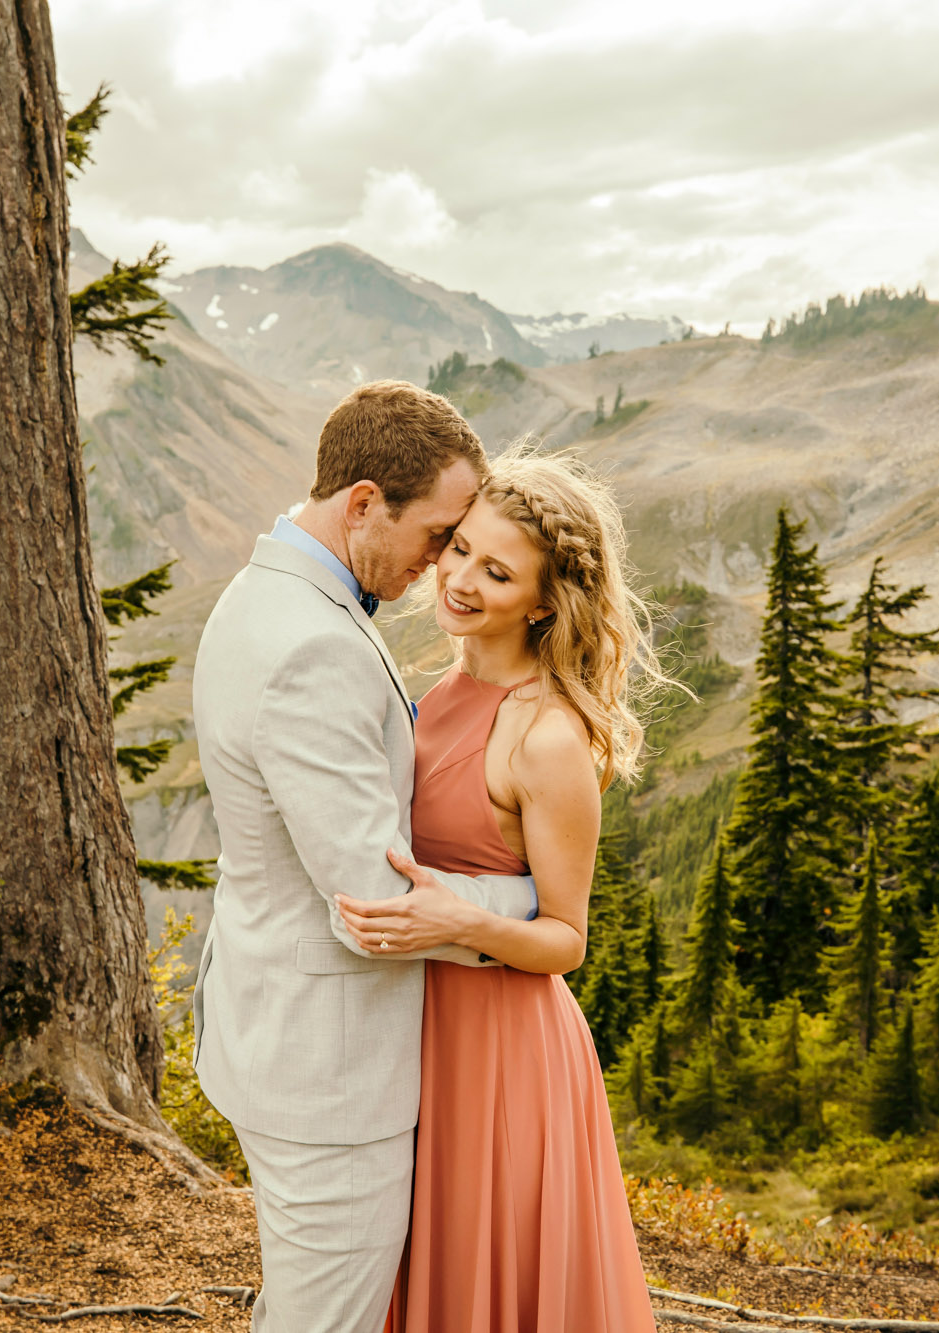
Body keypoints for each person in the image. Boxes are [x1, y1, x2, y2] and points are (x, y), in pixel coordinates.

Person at [188, 381, 540, 1333]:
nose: (440, 566)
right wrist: (531, 908)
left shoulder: (268, 590)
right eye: (436, 535)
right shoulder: (313, 645)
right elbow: (375, 902)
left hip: (280, 1030)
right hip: (328, 1071)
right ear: (361, 503)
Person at [335, 442, 675, 1332]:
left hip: (506, 1054)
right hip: (422, 1033)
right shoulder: (439, 690)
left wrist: (462, 920)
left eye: (498, 571)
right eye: (459, 549)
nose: (460, 579)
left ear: (544, 602)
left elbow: (568, 938)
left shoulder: (549, 739)